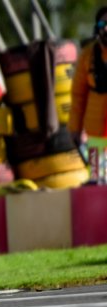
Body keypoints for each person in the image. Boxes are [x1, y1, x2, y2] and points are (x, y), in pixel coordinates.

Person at [69, 6, 107, 183]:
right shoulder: (87, 55)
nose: (106, 28)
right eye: (102, 23)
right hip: (95, 134)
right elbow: (78, 96)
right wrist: (75, 129)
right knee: (97, 177)